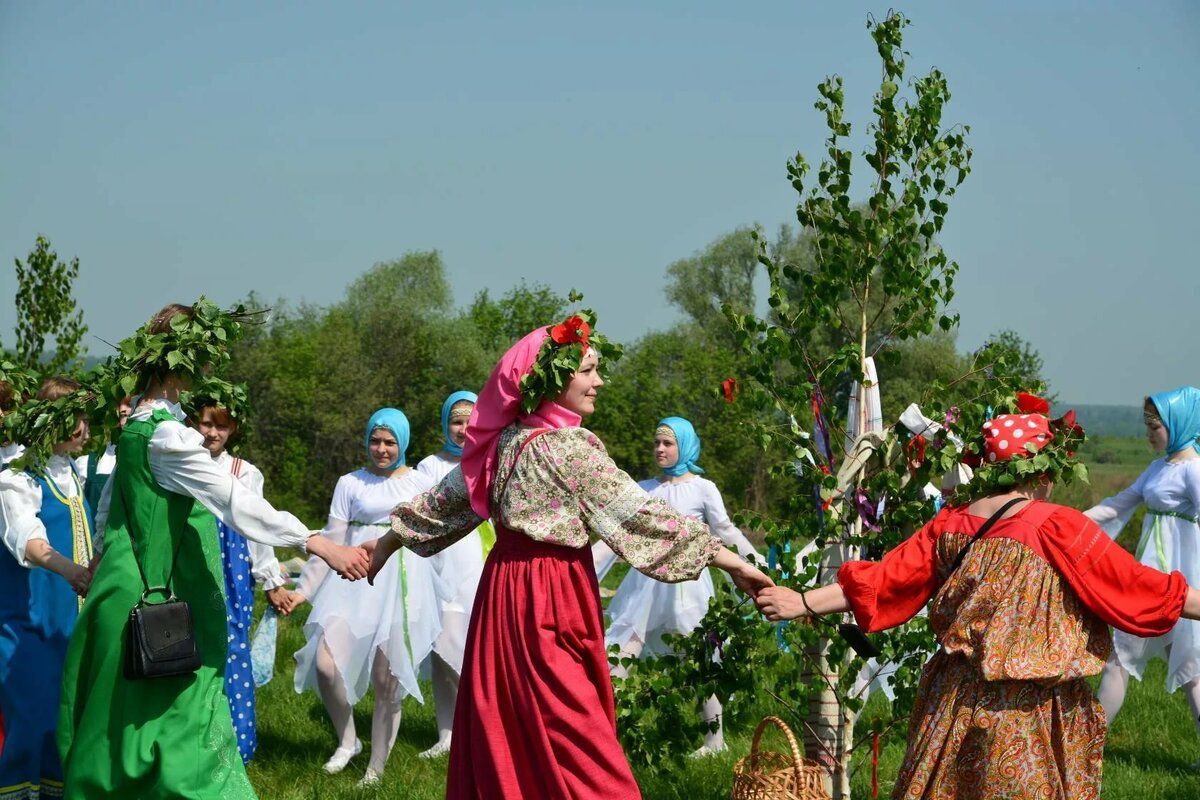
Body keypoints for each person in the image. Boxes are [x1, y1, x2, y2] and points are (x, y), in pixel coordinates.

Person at [369, 313, 773, 799]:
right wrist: (736, 563)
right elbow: (641, 516)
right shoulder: (570, 448)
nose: (598, 381)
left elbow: (444, 502)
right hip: (549, 598)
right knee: (577, 738)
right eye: (587, 370)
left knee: (513, 728)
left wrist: (385, 545)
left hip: (503, 598)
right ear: (554, 378)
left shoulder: (503, 443)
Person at [754, 395, 1200, 799]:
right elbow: (1144, 589)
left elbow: (883, 580)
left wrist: (803, 601)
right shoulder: (1059, 527)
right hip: (1029, 717)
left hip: (951, 707)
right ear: (1042, 472)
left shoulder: (951, 522)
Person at [57, 301, 370, 800]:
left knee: (125, 736)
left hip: (121, 593)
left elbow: (111, 504)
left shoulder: (136, 425)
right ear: (182, 359)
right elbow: (233, 498)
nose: (211, 366)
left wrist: (98, 561)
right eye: (206, 356)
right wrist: (315, 541)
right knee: (185, 734)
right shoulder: (167, 436)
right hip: (158, 600)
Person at [288, 407, 441, 787]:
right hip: (352, 579)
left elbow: (436, 536)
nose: (381, 448)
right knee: (325, 664)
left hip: (403, 582)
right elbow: (331, 539)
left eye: (390, 442)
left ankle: (376, 767)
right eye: (375, 440)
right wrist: (303, 591)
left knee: (388, 679)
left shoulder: (420, 481)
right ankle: (348, 741)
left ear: (403, 442)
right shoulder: (349, 483)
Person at [599, 416, 761, 757]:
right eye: (657, 443)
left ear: (684, 445)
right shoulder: (641, 488)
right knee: (617, 652)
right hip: (643, 587)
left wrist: (753, 563)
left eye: (667, 443)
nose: (660, 449)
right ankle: (604, 740)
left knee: (699, 659)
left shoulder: (703, 488)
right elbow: (617, 535)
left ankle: (714, 742)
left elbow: (725, 530)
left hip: (688, 586)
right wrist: (585, 569)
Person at [0, 377, 95, 800]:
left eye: (86, 417)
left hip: (67, 626)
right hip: (28, 626)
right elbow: (28, 539)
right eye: (75, 417)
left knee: (64, 723)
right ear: (50, 420)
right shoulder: (18, 478)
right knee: (31, 722)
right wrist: (69, 570)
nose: (84, 427)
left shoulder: (73, 471)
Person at [1089, 387, 1200, 746]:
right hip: (1152, 578)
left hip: (1173, 582)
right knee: (1188, 669)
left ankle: (1085, 746)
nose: (1149, 433)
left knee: (1123, 657)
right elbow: (1118, 505)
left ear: (1179, 423)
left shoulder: (1193, 471)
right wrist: (1067, 524)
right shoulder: (1158, 468)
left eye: (1155, 426)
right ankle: (1085, 746)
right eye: (1147, 425)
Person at [192, 398, 296, 764]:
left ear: (233, 429)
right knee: (188, 650)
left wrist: (269, 578)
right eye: (207, 423)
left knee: (232, 647)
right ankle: (194, 746)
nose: (213, 432)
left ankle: (236, 747)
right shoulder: (183, 465)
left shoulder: (244, 472)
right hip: (191, 564)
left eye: (221, 426)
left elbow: (257, 529)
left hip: (231, 569)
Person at [413, 390, 491, 759]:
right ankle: (447, 733)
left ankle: (483, 724)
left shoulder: (490, 458)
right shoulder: (429, 466)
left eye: (469, 420)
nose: (462, 429)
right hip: (439, 562)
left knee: (464, 648)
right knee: (441, 652)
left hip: (479, 561)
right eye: (456, 421)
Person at [75, 395, 132, 517]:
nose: (123, 409)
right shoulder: (87, 464)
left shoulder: (155, 458)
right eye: (118, 405)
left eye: (130, 404)